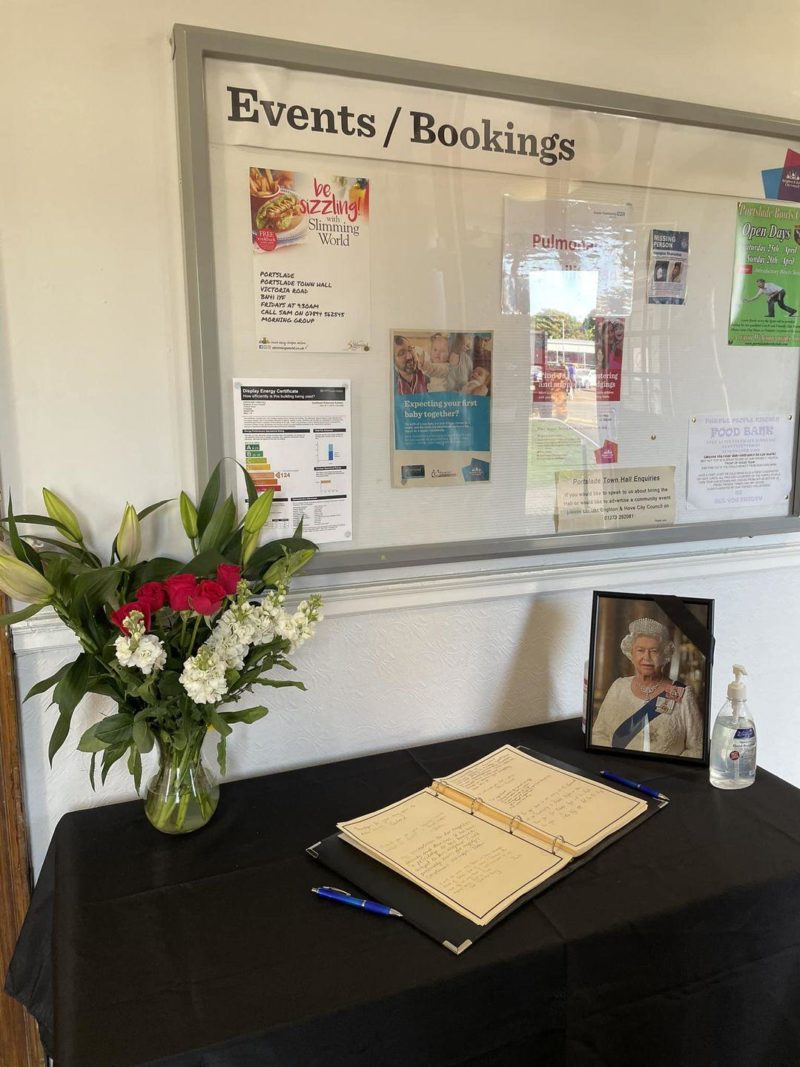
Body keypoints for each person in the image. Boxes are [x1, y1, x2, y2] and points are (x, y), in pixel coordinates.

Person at [592, 617, 703, 758]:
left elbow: (697, 748)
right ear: (631, 654)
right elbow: (598, 734)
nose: (647, 657)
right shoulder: (618, 687)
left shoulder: (683, 694)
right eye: (640, 650)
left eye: (654, 651)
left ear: (665, 655)